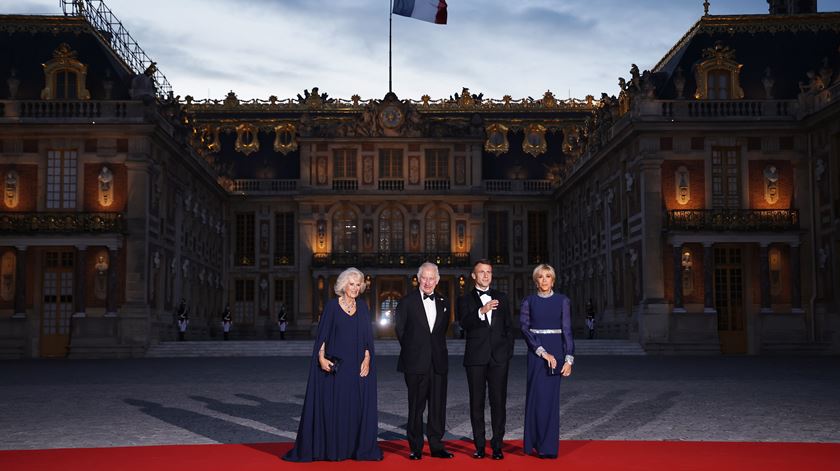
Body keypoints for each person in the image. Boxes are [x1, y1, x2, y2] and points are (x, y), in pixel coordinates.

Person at [283, 267, 382, 462]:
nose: (355, 288)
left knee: (355, 409)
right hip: (337, 368)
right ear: (343, 285)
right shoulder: (331, 306)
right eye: (351, 284)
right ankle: (335, 449)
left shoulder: (362, 307)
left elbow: (367, 339)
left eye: (358, 284)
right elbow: (323, 337)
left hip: (357, 367)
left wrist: (368, 358)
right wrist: (321, 358)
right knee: (336, 409)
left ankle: (354, 448)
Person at [456, 259, 514, 460]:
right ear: (474, 276)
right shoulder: (464, 300)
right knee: (476, 403)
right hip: (475, 358)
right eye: (481, 272)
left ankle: (497, 445)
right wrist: (481, 311)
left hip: (499, 358)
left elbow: (509, 328)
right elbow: (464, 323)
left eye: (488, 272)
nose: (486, 275)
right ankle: (479, 446)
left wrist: (507, 354)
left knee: (498, 403)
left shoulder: (503, 297)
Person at [395, 262, 452, 460]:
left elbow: (441, 331)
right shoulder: (406, 302)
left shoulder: (445, 302)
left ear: (437, 280)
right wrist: (415, 351)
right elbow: (400, 331)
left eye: (431, 278)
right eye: (424, 278)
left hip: (438, 362)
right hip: (415, 362)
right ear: (418, 279)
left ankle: (436, 446)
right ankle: (415, 447)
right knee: (416, 407)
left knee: (438, 407)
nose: (428, 282)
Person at [520, 264, 575, 459]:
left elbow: (567, 330)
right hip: (537, 354)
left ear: (553, 280)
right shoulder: (529, 301)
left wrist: (569, 359)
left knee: (550, 401)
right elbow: (525, 330)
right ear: (536, 280)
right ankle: (532, 442)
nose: (544, 280)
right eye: (541, 277)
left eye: (548, 276)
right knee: (536, 399)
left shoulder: (563, 301)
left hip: (557, 354)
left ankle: (548, 447)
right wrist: (542, 352)